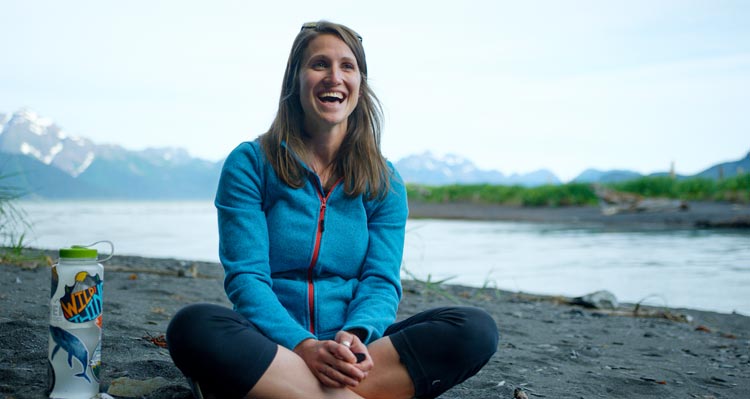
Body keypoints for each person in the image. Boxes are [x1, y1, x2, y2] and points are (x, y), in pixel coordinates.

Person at [166, 21, 499, 399]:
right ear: (295, 79)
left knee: (474, 328)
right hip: (275, 347)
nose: (334, 77)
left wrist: (356, 334)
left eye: (347, 66)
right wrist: (304, 346)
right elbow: (247, 279)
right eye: (319, 64)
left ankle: (289, 393)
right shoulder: (250, 164)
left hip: (356, 351)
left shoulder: (384, 180)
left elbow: (380, 280)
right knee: (192, 326)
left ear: (360, 83)